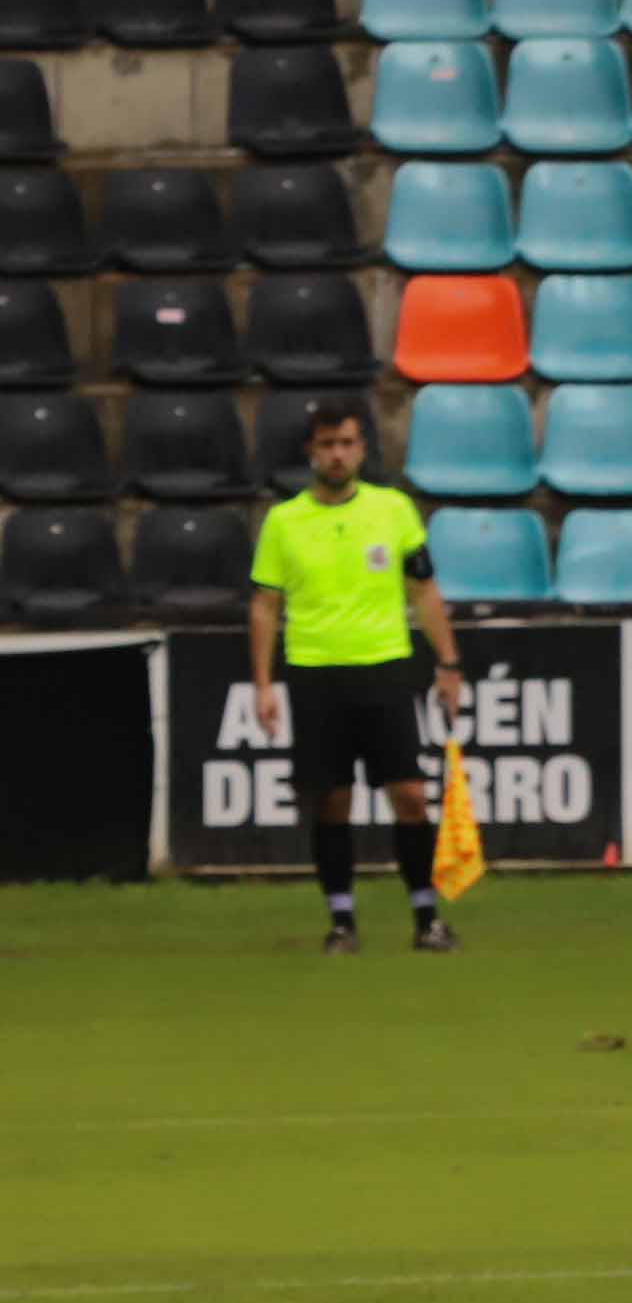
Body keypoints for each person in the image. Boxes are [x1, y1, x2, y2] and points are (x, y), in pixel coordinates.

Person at [246, 400, 465, 954]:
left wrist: (448, 662)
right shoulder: (284, 521)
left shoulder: (393, 511)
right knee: (332, 801)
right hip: (316, 673)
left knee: (411, 795)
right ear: (311, 452)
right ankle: (342, 921)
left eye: (346, 443)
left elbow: (424, 591)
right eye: (327, 444)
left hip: (386, 667)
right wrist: (264, 684)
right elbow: (265, 606)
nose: (337, 454)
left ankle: (425, 916)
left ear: (362, 448)